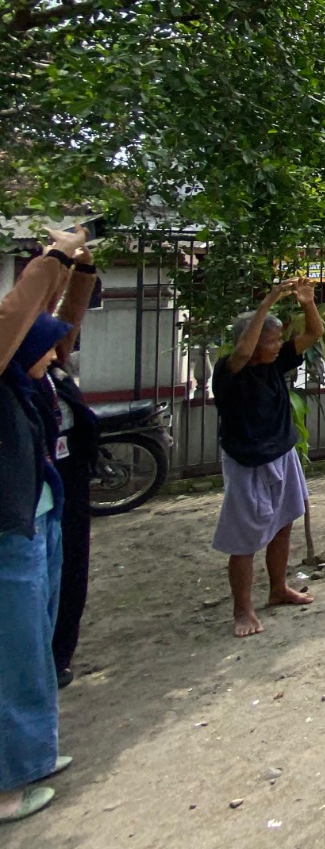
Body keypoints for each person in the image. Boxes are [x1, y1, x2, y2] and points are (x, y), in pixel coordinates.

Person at [1, 228, 85, 823]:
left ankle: (31, 754)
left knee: (33, 644)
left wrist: (74, 271)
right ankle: (9, 781)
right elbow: (16, 320)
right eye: (45, 347)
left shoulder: (36, 384)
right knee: (12, 652)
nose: (57, 352)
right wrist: (50, 259)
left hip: (40, 519)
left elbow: (57, 322)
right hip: (11, 533)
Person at [211, 279, 322, 639]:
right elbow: (242, 352)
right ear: (254, 339)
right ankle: (242, 609)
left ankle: (278, 589)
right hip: (247, 459)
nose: (277, 345)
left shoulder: (275, 363)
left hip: (282, 452)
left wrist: (307, 303)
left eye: (277, 340)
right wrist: (270, 300)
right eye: (270, 340)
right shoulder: (231, 370)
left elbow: (313, 332)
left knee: (284, 522)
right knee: (244, 539)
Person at [46, 245, 99, 687]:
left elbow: (65, 323)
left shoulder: (52, 370)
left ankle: (58, 657)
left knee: (70, 575)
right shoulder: (16, 378)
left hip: (69, 486)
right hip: (34, 497)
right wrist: (54, 263)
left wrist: (83, 268)